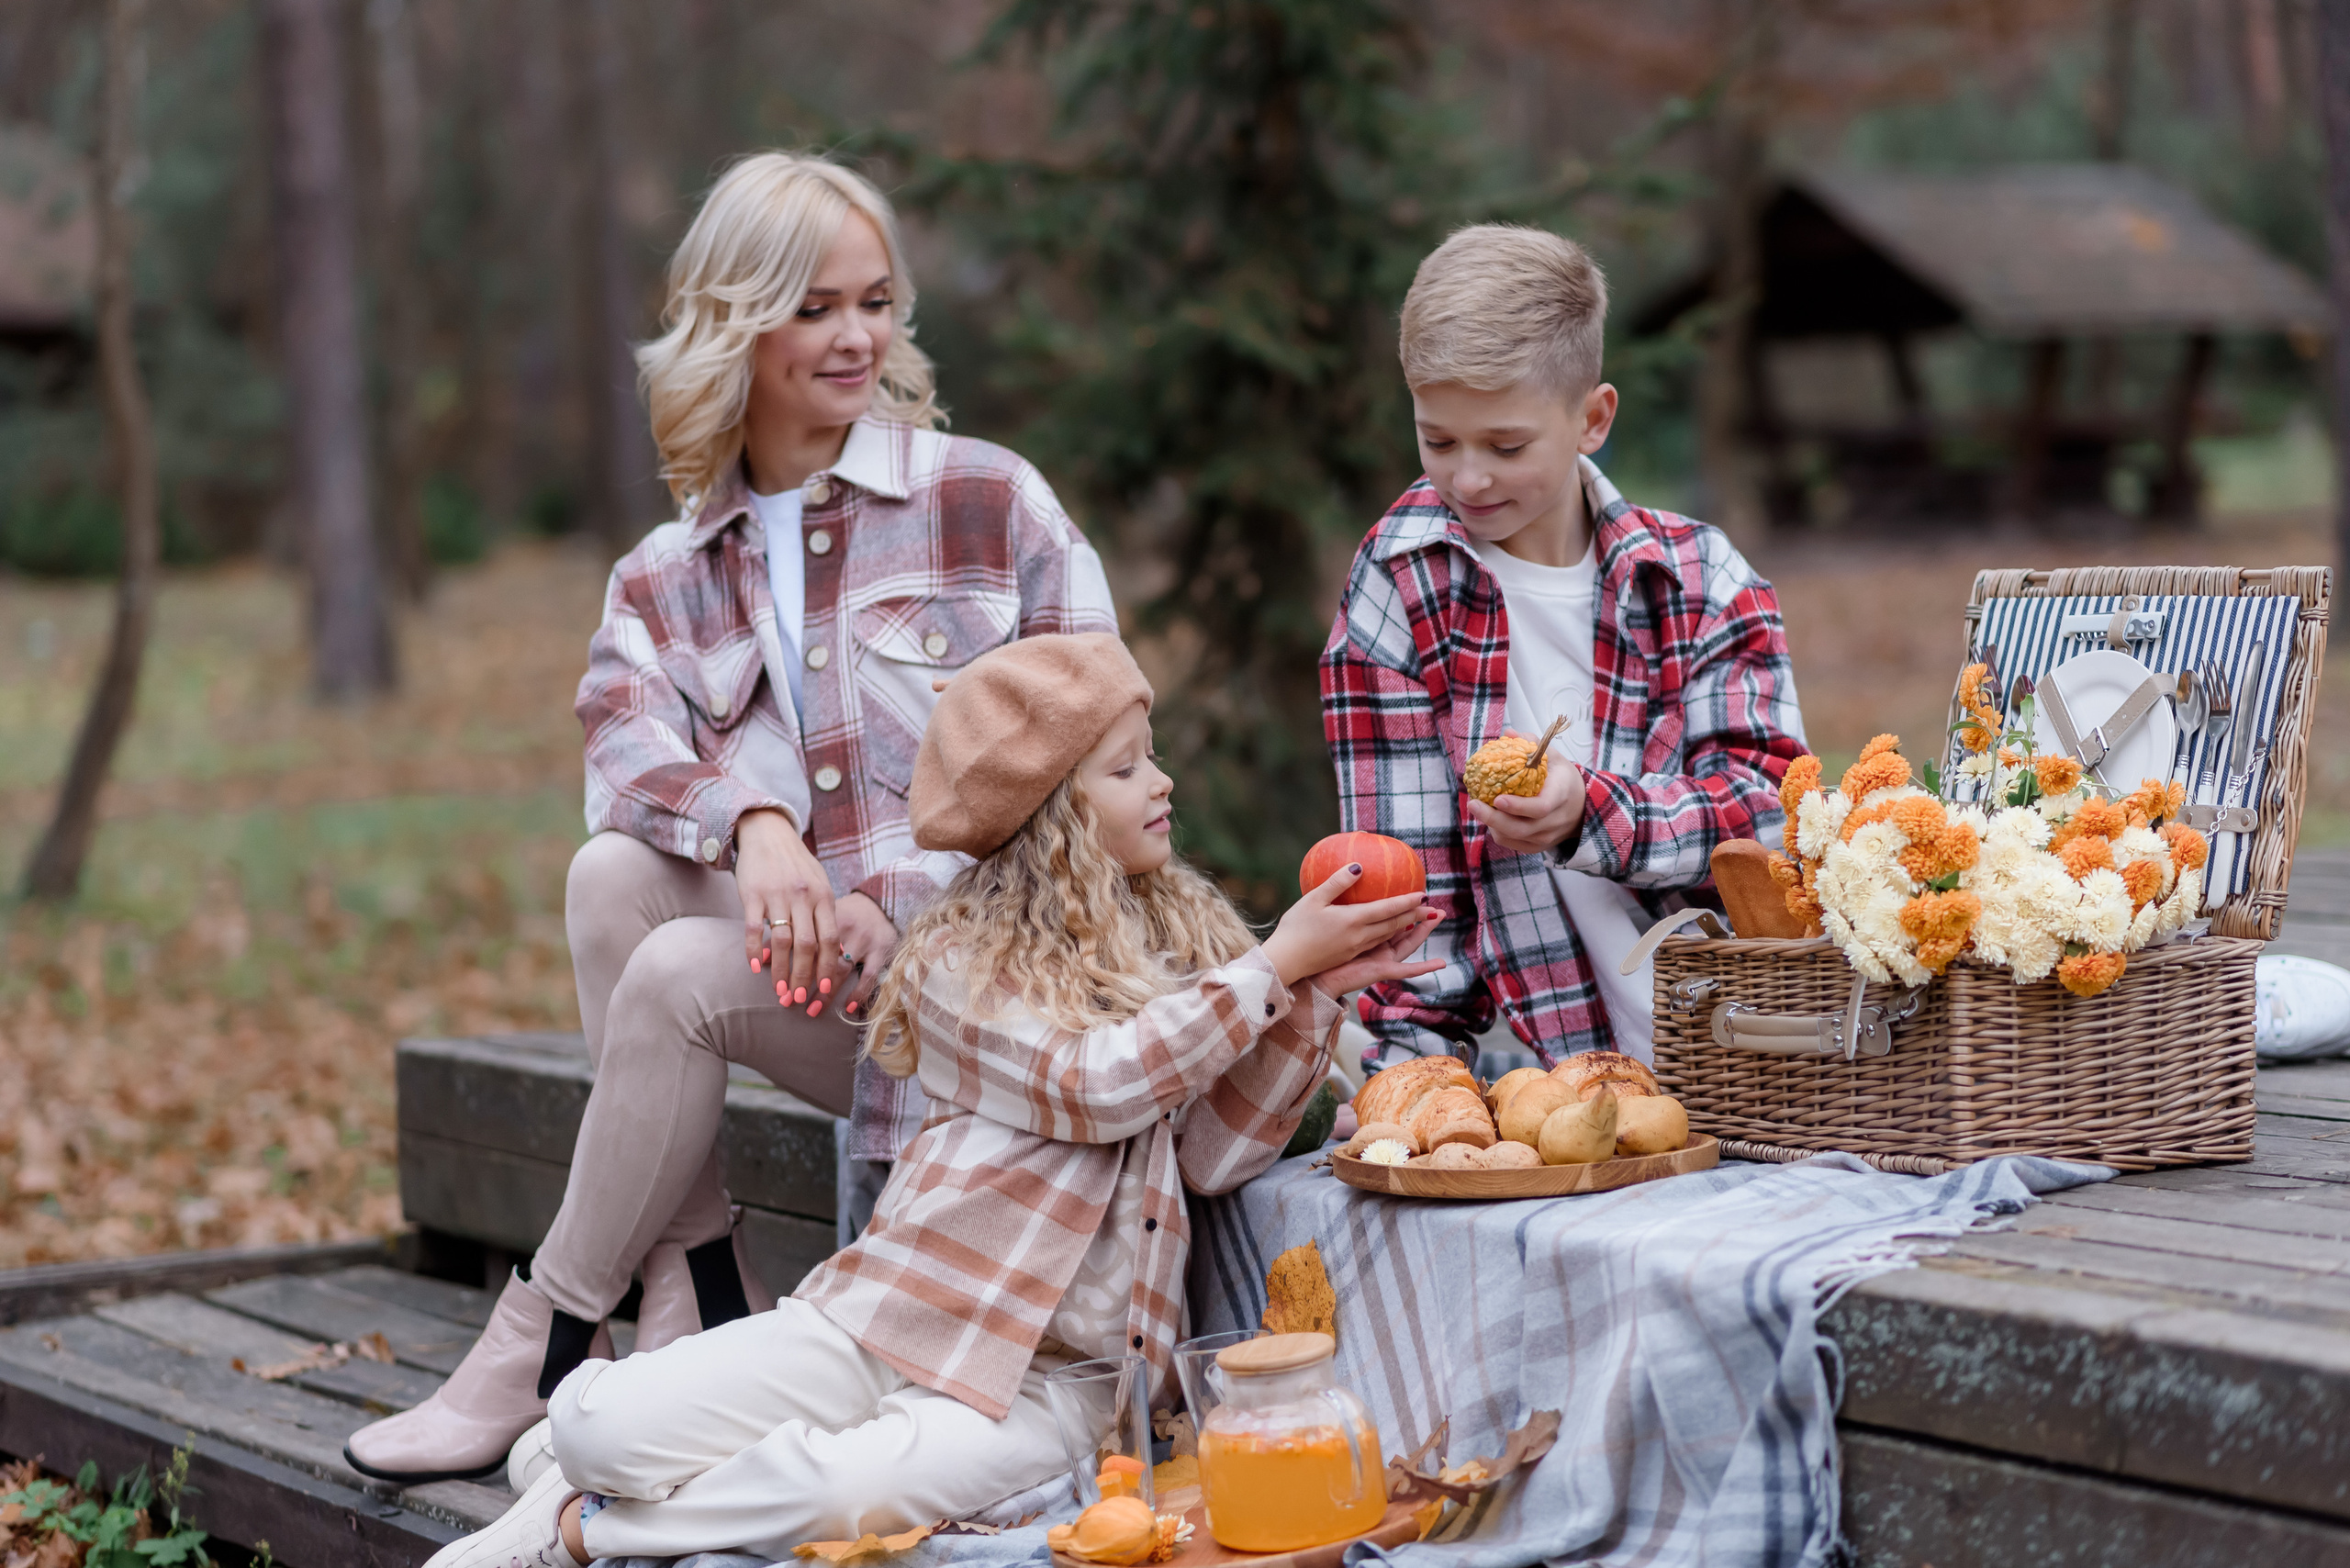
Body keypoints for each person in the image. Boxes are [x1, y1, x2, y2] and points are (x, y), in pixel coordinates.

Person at [346, 153, 1118, 1484]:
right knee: (611, 876)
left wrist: (902, 901)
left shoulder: (986, 502)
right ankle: (690, 1275)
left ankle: (552, 1329)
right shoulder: (668, 573)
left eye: (875, 301)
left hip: (988, 996)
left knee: (675, 970)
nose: (857, 337)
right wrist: (756, 822)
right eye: (814, 308)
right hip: (840, 1002)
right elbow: (620, 744)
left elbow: (1106, 742)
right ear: (736, 322)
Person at [423, 633, 1441, 1567]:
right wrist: (1272, 966)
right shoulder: (961, 958)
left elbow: (1209, 1159)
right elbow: (1097, 1085)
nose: (1162, 782)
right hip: (896, 1314)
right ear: (1053, 810)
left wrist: (1312, 996)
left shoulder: (1185, 947)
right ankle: (584, 1462)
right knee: (595, 1424)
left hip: (1058, 1381)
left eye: (1152, 757)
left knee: (842, 1490)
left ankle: (586, 1527)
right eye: (1126, 768)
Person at [1322, 223, 1805, 1077]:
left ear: (1593, 418)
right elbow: (1407, 881)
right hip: (1552, 1073)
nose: (1469, 478)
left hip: (1752, 1050)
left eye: (1506, 446)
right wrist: (1418, 1081)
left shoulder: (1701, 577)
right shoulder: (1399, 584)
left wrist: (1592, 814)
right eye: (1439, 440)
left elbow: (1773, 817)